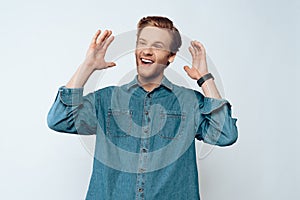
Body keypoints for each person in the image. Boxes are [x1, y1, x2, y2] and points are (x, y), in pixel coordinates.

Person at [47, 16, 238, 200]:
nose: (147, 51)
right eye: (143, 43)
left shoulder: (190, 102)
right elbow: (59, 119)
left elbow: (225, 135)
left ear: (171, 56)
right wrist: (87, 66)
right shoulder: (105, 99)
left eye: (157, 46)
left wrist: (205, 78)